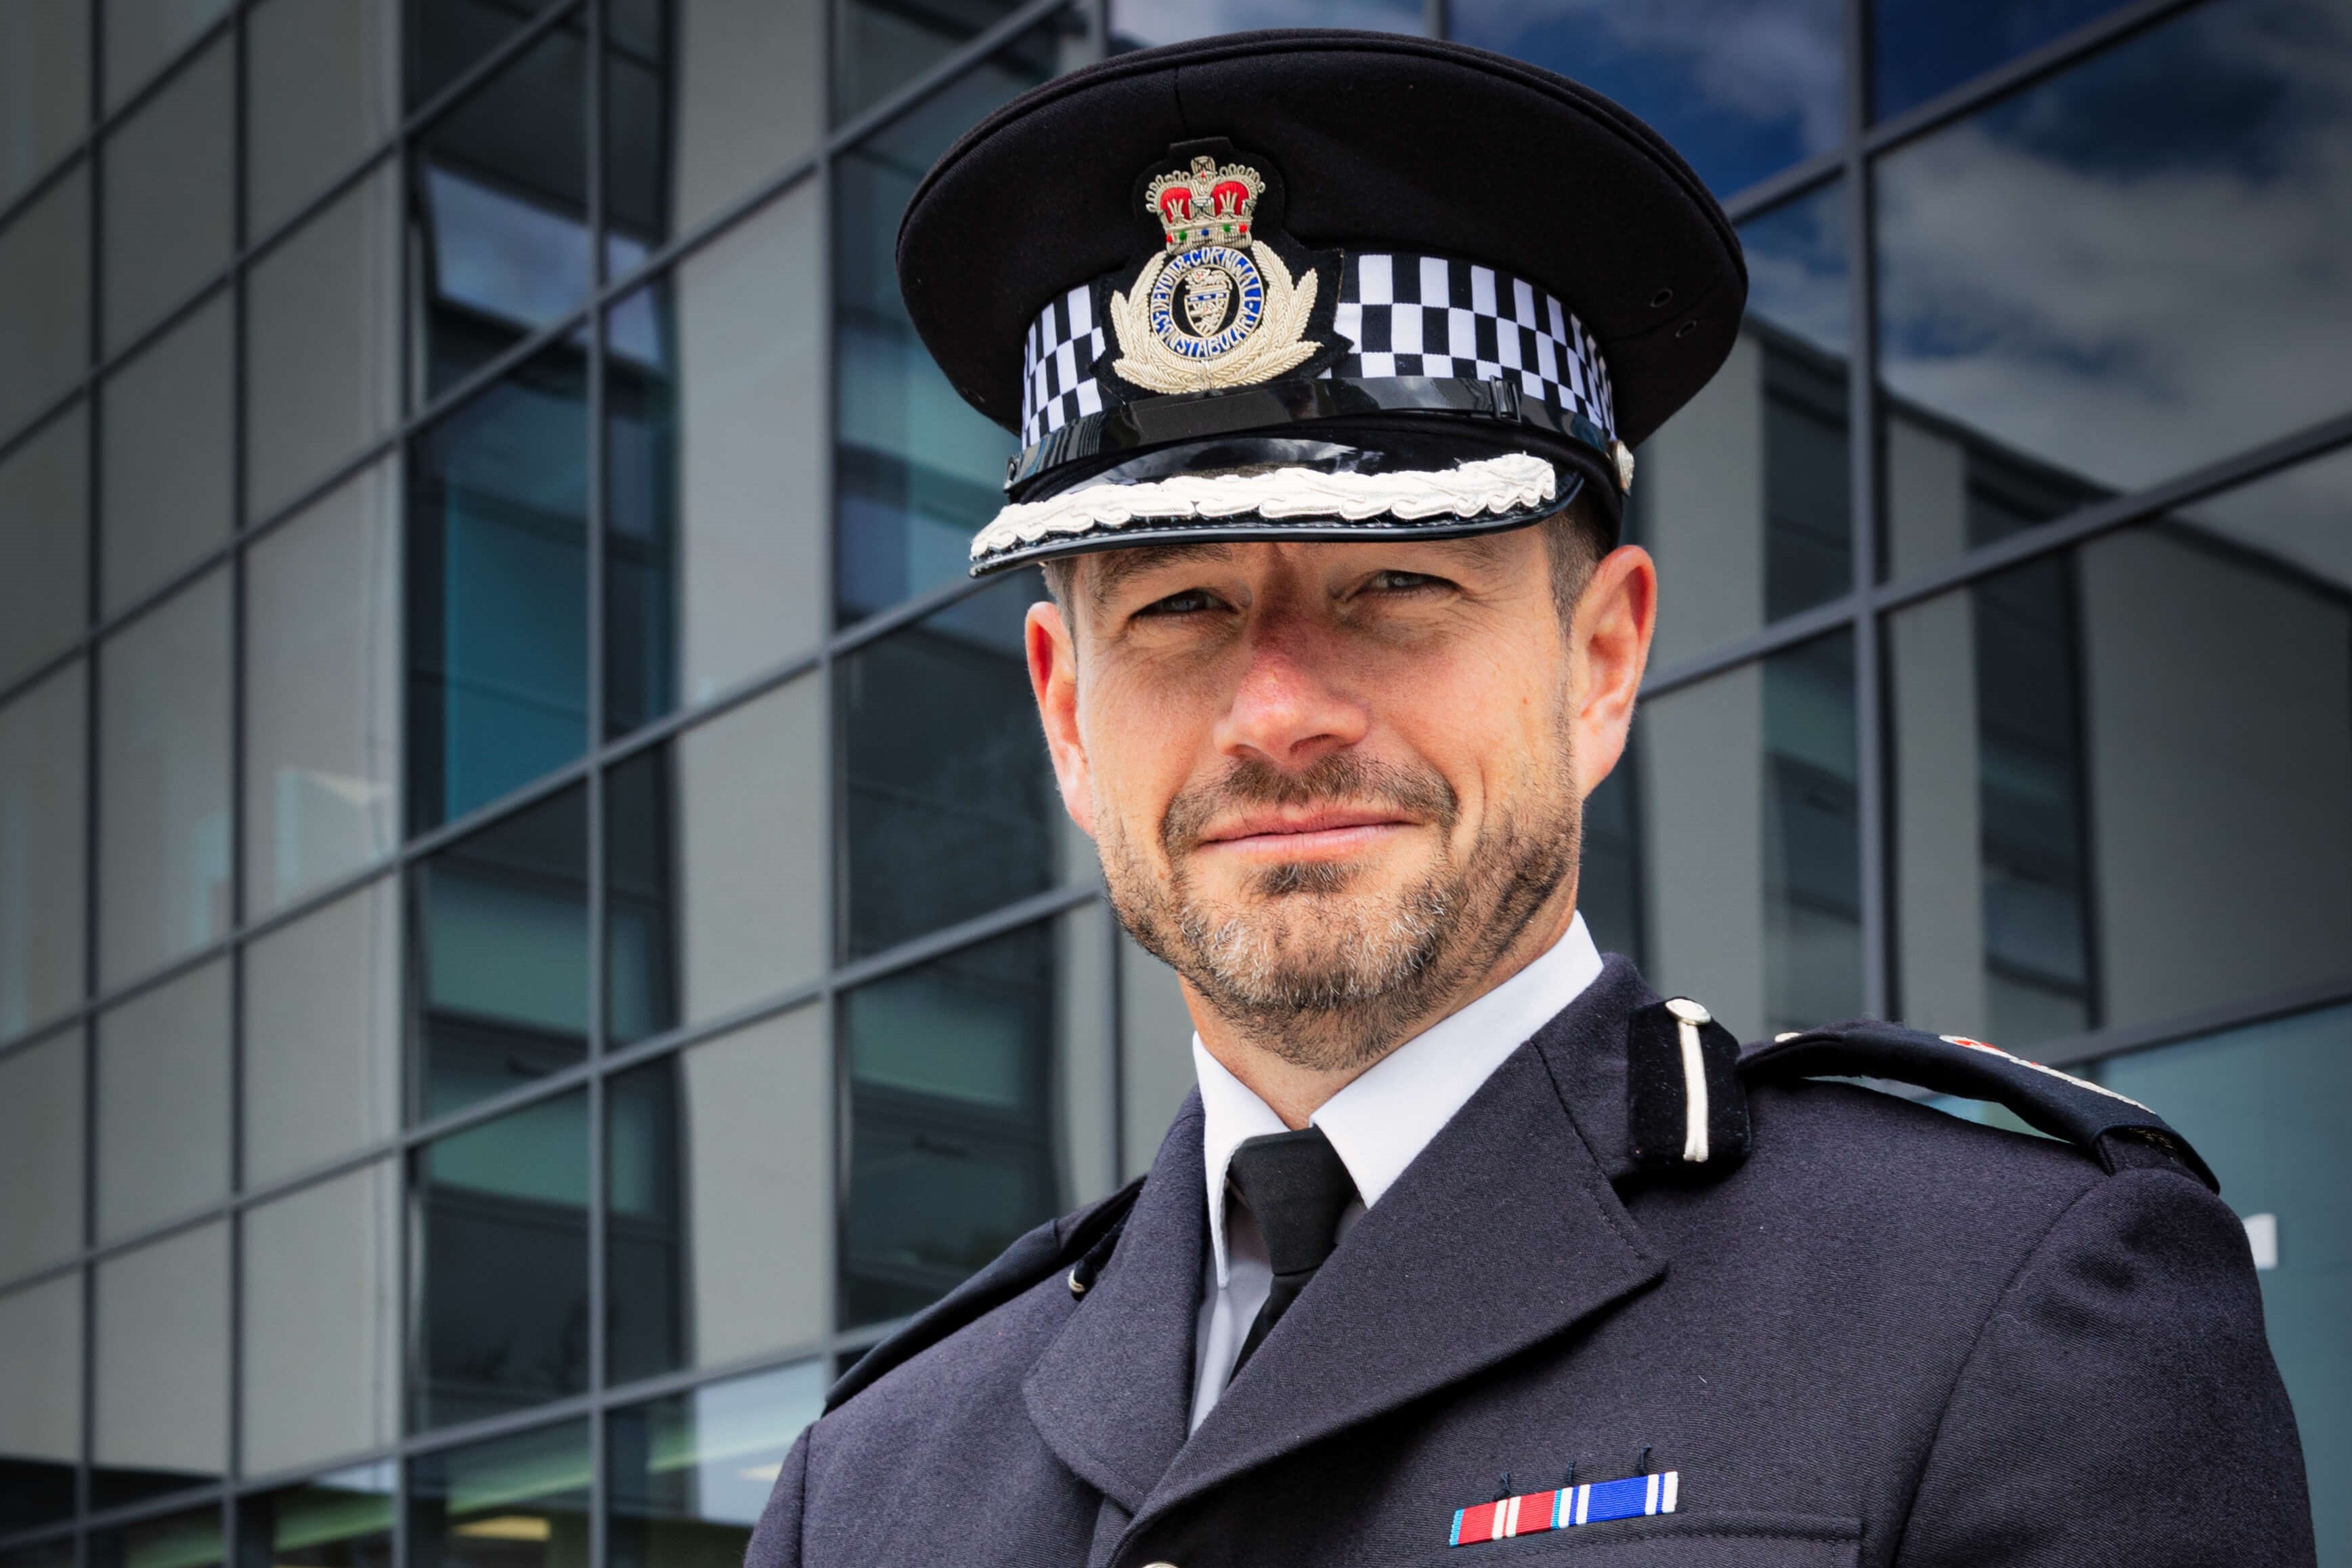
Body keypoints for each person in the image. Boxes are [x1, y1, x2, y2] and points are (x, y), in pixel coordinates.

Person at [747, 30, 2315, 1568]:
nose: (1280, 712)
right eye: (1181, 610)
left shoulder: (2000, 1295)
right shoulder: (872, 1482)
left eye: (1398, 585)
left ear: (1603, 659)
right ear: (1068, 712)